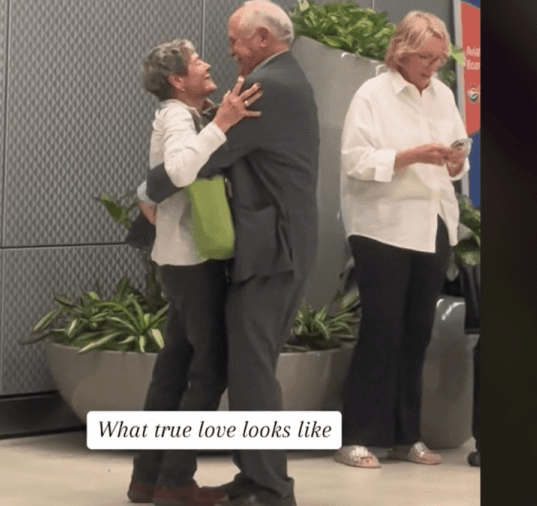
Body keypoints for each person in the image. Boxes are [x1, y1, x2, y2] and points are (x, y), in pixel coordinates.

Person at [142, 2, 319, 505]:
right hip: (269, 246)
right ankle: (239, 478)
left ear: (262, 38)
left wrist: (145, 190)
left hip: (273, 249)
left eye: (235, 42)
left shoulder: (267, 86)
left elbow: (202, 161)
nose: (229, 54)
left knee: (250, 368)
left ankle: (268, 487)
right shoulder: (279, 77)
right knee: (236, 366)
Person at [127, 39, 264, 506]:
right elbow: (182, 169)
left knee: (173, 368)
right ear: (176, 80)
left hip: (180, 258)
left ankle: (148, 477)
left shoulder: (184, 113)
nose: (207, 64)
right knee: (210, 369)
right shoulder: (176, 115)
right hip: (192, 259)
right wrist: (222, 121)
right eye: (196, 62)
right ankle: (175, 481)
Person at [335, 10, 471, 469]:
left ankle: (404, 435)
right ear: (402, 51)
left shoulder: (444, 95)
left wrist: (455, 163)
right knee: (382, 331)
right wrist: (411, 156)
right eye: (425, 58)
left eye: (438, 59)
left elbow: (458, 157)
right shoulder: (372, 94)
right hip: (383, 228)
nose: (433, 67)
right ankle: (356, 435)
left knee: (416, 334)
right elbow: (356, 159)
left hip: (433, 223)